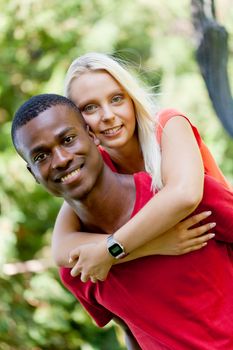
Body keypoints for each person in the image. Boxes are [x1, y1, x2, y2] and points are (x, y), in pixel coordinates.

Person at [11, 94, 233, 349]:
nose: (61, 159)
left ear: (93, 136)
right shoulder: (78, 267)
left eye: (68, 139)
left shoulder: (184, 196)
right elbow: (131, 329)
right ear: (33, 174)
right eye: (40, 156)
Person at [51, 52, 231, 282]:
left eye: (116, 99)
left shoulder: (169, 125)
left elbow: (184, 195)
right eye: (90, 108)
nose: (108, 115)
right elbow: (62, 250)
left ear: (132, 99)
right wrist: (153, 245)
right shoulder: (98, 167)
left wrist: (110, 251)